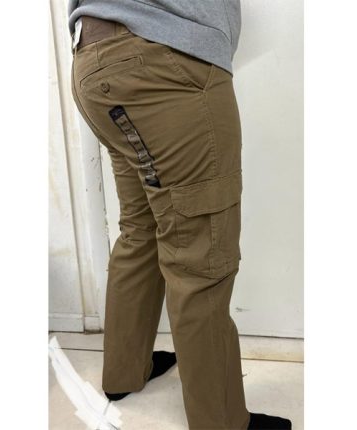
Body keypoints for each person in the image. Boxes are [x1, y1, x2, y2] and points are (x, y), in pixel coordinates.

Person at [68, 1, 292, 429]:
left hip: (94, 59)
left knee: (141, 228)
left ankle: (124, 371)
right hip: (162, 65)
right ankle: (221, 422)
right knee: (200, 256)